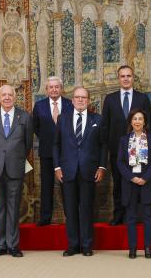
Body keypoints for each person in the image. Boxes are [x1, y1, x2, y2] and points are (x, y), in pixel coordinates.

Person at [53, 87, 107, 257]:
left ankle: (86, 245)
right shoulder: (63, 119)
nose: (80, 100)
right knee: (70, 210)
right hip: (67, 171)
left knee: (86, 209)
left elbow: (103, 145)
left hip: (89, 170)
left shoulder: (97, 119)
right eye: (77, 97)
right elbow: (55, 144)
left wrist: (102, 167)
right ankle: (73, 245)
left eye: (84, 97)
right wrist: (57, 167)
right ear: (72, 100)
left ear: (88, 100)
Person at [0, 85, 33, 258]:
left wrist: (15, 157)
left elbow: (27, 144)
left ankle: (12, 245)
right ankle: (0, 245)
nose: (6, 98)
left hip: (15, 168)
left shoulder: (25, 116)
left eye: (9, 95)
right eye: (3, 95)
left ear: (14, 97)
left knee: (13, 208)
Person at [100, 65, 151, 225]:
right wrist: (108, 147)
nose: (125, 78)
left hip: (139, 150)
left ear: (133, 78)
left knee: (138, 183)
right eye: (122, 76)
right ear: (118, 78)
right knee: (118, 184)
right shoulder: (110, 99)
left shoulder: (142, 98)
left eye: (128, 76)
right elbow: (105, 126)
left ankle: (136, 216)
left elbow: (149, 123)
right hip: (117, 151)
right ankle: (119, 215)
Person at [117, 109, 151, 259]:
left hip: (147, 181)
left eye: (140, 119)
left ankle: (148, 248)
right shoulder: (124, 139)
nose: (137, 121)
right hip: (130, 182)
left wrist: (145, 177)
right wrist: (131, 177)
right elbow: (120, 162)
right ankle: (133, 248)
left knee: (148, 216)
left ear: (144, 122)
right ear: (130, 121)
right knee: (131, 217)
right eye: (134, 119)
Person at [32, 76, 73, 226]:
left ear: (61, 89)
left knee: (67, 186)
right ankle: (45, 218)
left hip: (67, 153)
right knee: (46, 185)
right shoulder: (39, 105)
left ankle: (71, 217)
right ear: (46, 90)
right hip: (47, 152)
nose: (54, 89)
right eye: (51, 87)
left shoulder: (70, 104)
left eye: (57, 87)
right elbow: (35, 127)